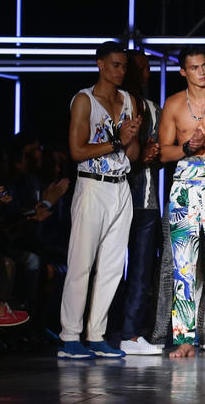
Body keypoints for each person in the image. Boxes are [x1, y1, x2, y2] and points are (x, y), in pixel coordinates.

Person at [57, 41, 143, 360]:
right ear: (101, 65)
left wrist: (130, 138)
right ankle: (69, 337)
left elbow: (131, 155)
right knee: (81, 263)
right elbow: (77, 151)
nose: (122, 71)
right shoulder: (84, 100)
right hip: (92, 186)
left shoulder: (129, 100)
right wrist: (117, 140)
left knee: (111, 267)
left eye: (125, 66)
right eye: (116, 65)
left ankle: (96, 334)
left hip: (121, 186)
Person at [158, 46, 205, 358]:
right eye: (194, 67)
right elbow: (162, 152)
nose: (201, 72)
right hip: (185, 182)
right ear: (183, 71)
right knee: (183, 264)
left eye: (204, 66)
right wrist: (188, 147)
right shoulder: (174, 104)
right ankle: (184, 338)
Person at [116, 50, 164, 355]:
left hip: (146, 199)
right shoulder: (113, 105)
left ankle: (131, 332)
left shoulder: (152, 108)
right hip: (115, 195)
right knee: (106, 267)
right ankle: (98, 329)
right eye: (139, 68)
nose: (145, 74)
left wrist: (153, 155)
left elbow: (160, 152)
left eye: (147, 68)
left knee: (142, 269)